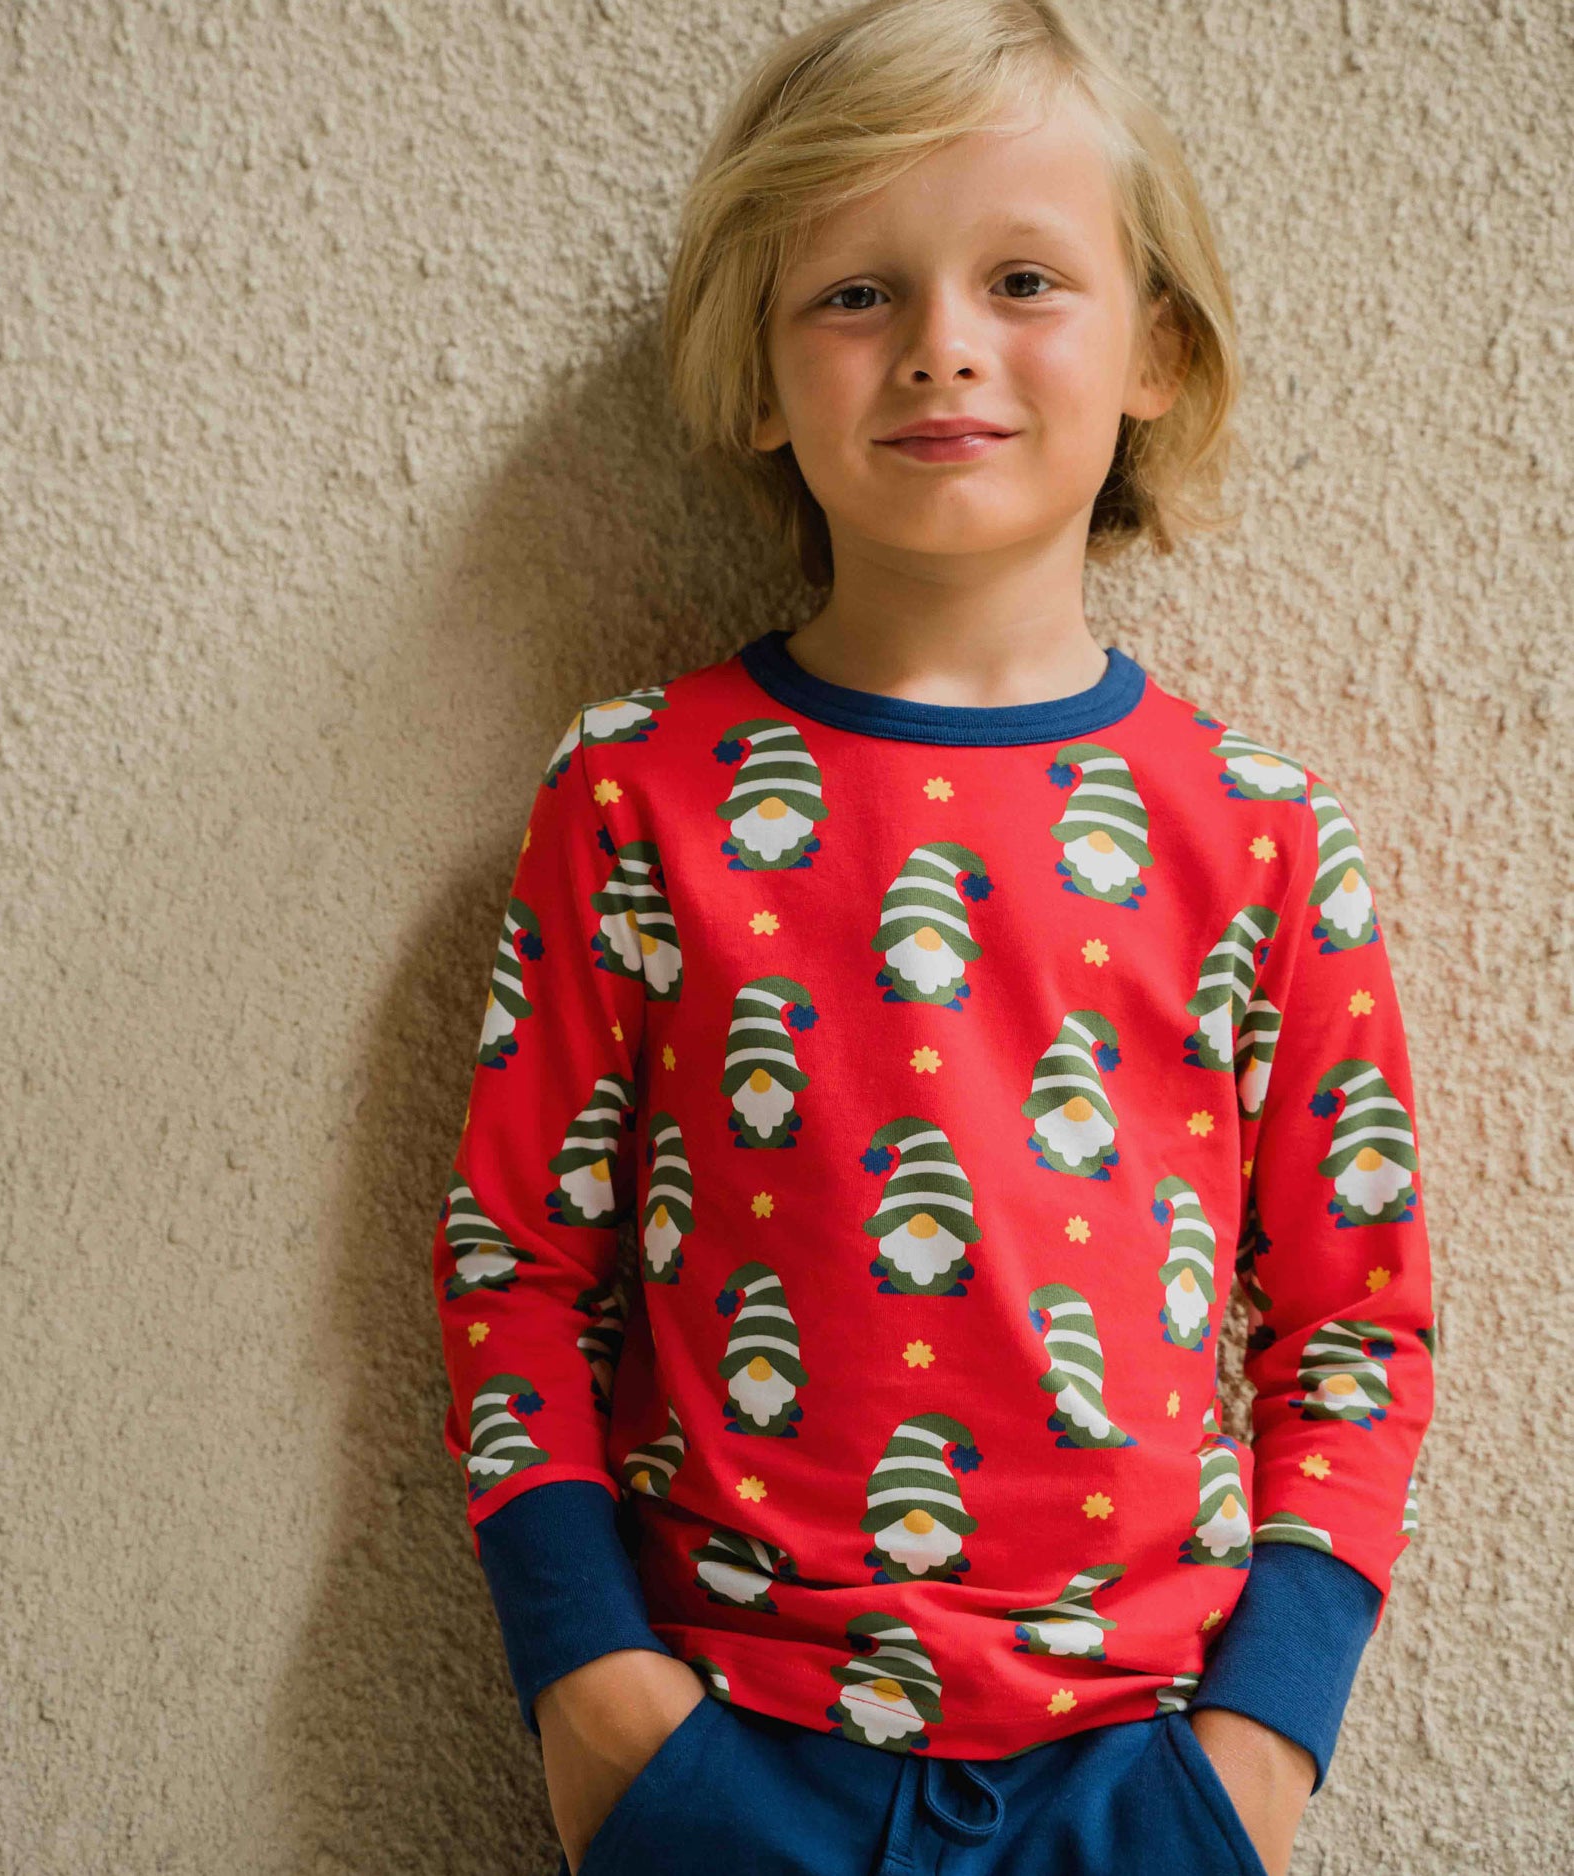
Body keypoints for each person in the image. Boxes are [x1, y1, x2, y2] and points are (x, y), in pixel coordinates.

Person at [431, 2, 1437, 1871]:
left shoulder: (1265, 838)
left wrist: (1262, 1745)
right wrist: (593, 1689)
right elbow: (514, 1261)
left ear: (1154, 349)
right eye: (854, 295)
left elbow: (1353, 1328)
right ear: (755, 375)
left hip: (1147, 1773)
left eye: (1025, 278)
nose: (941, 349)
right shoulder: (636, 797)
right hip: (719, 1753)